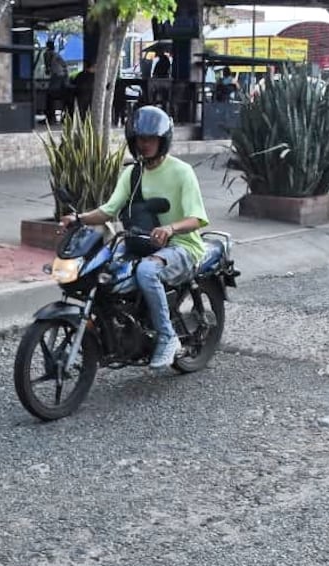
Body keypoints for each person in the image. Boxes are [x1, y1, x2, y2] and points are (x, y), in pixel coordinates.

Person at [58, 106, 210, 371]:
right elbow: (108, 210)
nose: (146, 144)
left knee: (147, 270)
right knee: (101, 269)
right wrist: (79, 218)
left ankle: (167, 336)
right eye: (141, 138)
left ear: (163, 140)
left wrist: (171, 229)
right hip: (141, 242)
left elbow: (197, 218)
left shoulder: (182, 171)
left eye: (152, 138)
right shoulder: (132, 174)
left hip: (182, 246)